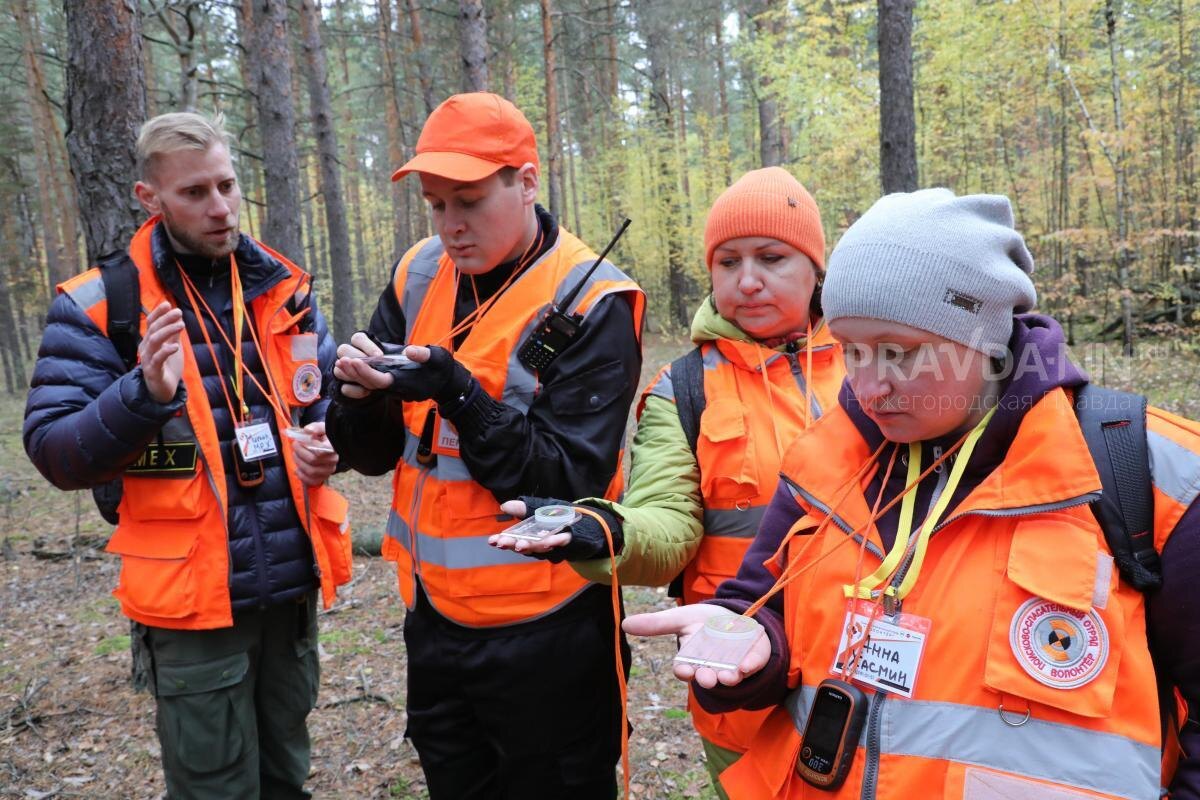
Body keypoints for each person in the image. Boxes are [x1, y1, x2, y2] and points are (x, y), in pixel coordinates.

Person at [622, 188, 1200, 799]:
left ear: (985, 337)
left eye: (899, 352)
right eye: (851, 351)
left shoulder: (1148, 475)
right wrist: (751, 650)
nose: (870, 386)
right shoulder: (827, 460)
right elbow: (763, 605)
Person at [324, 92, 645, 799]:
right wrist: (356, 396)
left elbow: (566, 480)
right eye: (436, 205)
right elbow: (374, 457)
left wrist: (460, 392)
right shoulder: (418, 273)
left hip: (550, 628)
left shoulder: (592, 301)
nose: (450, 227)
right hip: (434, 623)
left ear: (526, 182)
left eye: (468, 200)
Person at [23, 111, 351, 800]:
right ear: (150, 199)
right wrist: (141, 392)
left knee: (287, 777)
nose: (221, 207)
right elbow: (55, 453)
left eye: (228, 185)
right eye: (195, 193)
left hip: (288, 588)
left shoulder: (283, 290)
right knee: (213, 788)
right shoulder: (99, 305)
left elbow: (318, 405)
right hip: (191, 601)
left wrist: (328, 444)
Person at [490, 167, 843, 797]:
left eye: (772, 257)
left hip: (870, 668)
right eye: (728, 261)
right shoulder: (683, 389)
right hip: (740, 675)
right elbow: (668, 524)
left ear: (816, 267)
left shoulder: (873, 360)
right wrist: (599, 530)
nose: (748, 279)